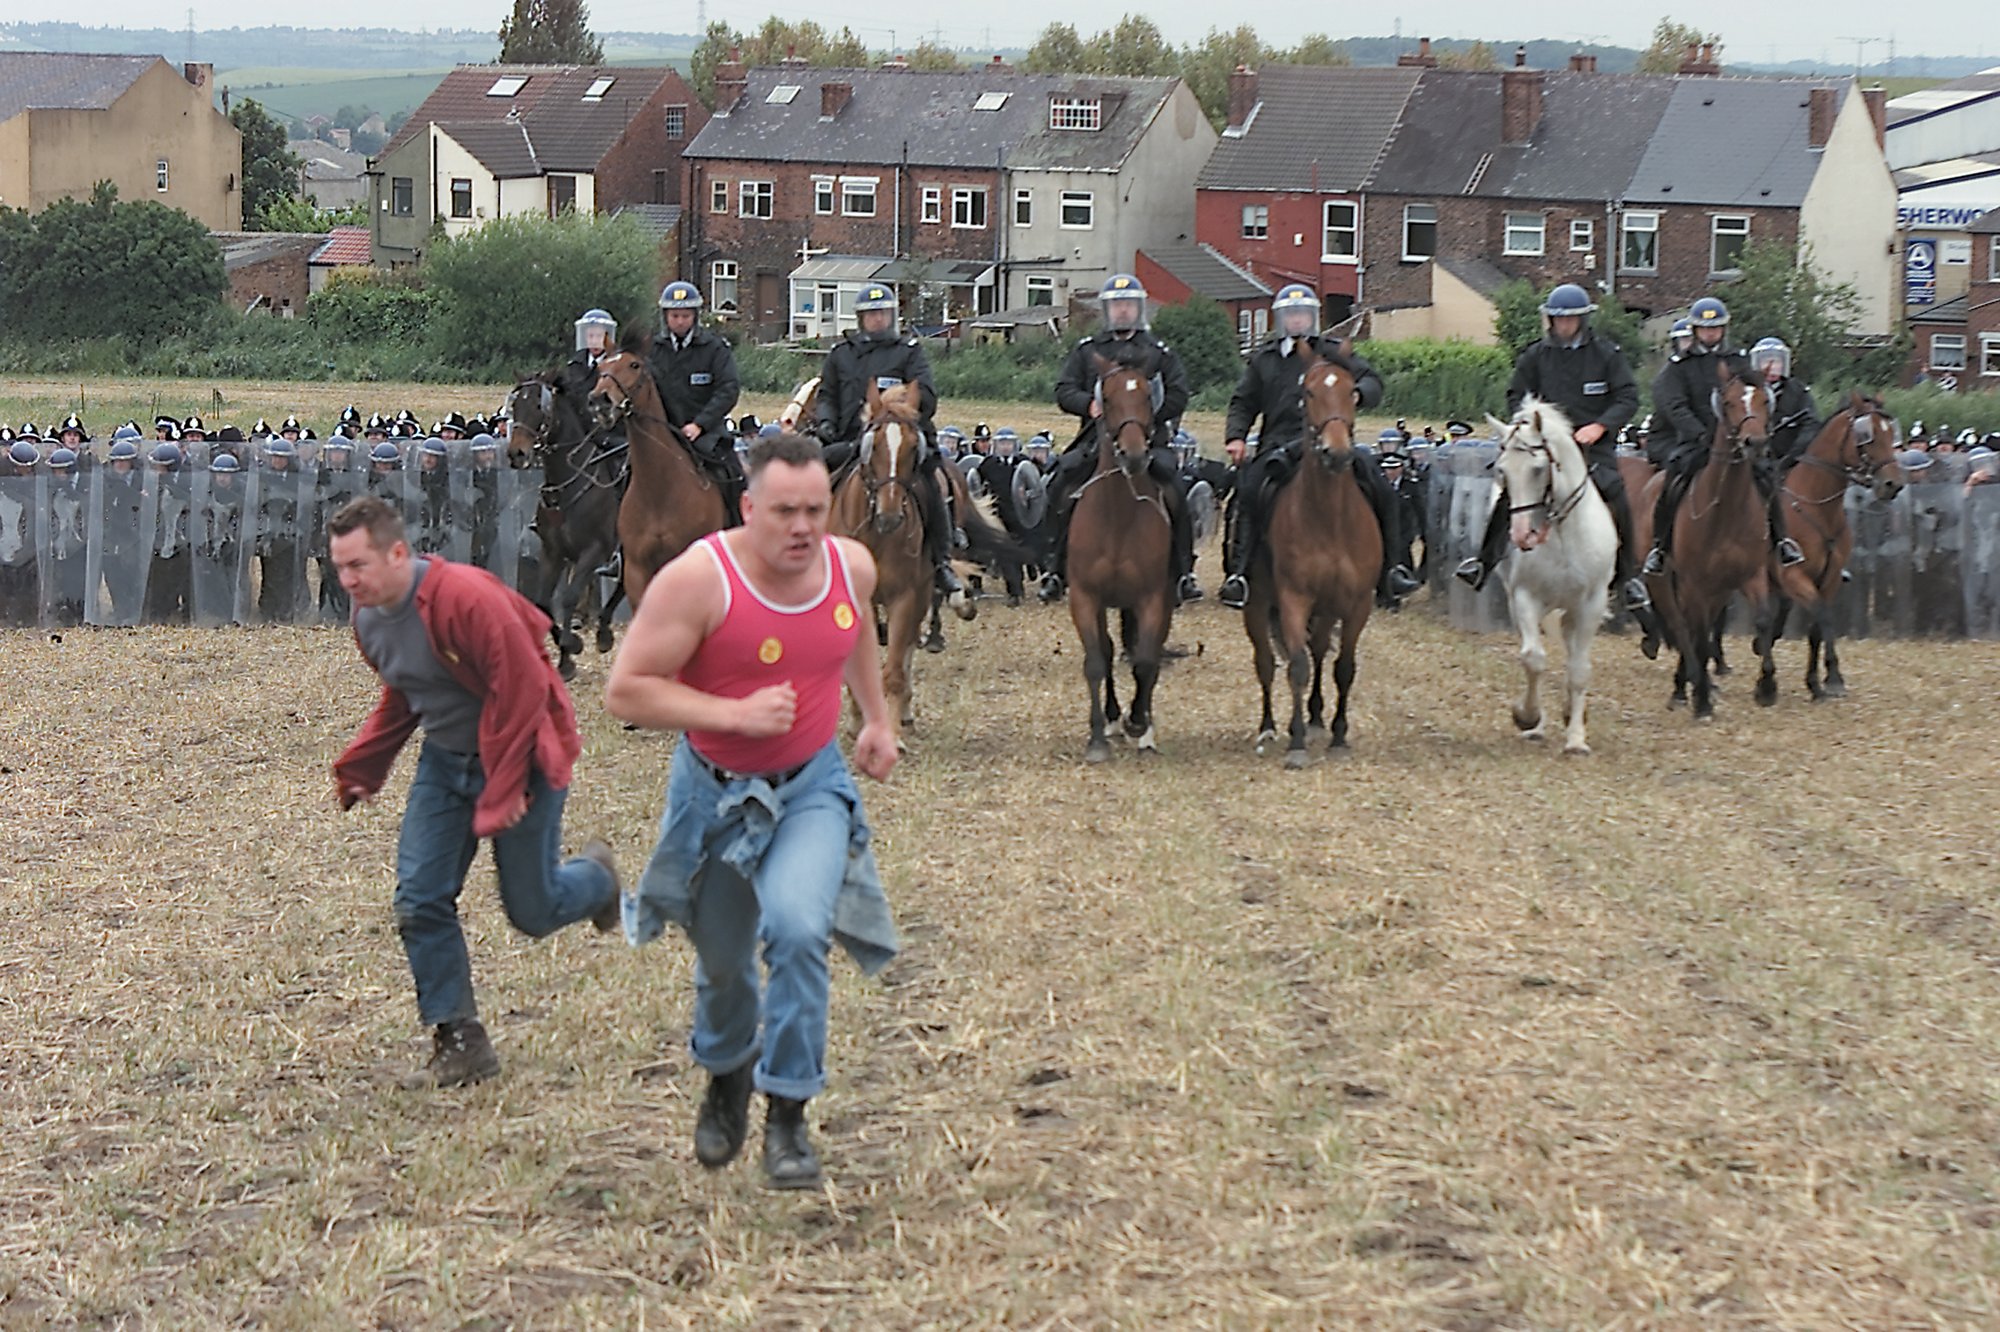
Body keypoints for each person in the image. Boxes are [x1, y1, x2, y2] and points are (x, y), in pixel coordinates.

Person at [604, 432, 899, 1190]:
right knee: (726, 965)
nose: (803, 528)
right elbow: (627, 690)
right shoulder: (699, 581)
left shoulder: (850, 565)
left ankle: (790, 1114)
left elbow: (854, 624)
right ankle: (727, 1073)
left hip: (811, 790)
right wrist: (730, 715)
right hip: (713, 791)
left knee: (799, 931)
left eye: (816, 509)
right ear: (747, 508)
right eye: (784, 512)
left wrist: (875, 718)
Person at [329, 496, 621, 1091]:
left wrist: (506, 787)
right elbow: (407, 692)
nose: (348, 580)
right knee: (420, 898)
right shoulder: (368, 622)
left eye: (358, 565)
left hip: (524, 752)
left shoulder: (467, 599)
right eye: (340, 567)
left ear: (398, 553)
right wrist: (365, 765)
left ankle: (597, 881)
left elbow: (523, 694)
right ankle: (458, 1037)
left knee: (532, 912)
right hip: (446, 761)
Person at [1217, 283, 1419, 610]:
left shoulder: (1335, 353)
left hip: (1332, 442)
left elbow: (1372, 381)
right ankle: (1240, 574)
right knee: (1249, 491)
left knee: (1382, 488)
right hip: (1279, 444)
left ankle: (1392, 569)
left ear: (1313, 317)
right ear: (1281, 319)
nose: (1297, 320)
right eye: (1291, 314)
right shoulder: (1263, 360)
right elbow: (1243, 402)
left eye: (1302, 314)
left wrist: (1358, 393)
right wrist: (1236, 436)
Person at [1454, 282, 1651, 614]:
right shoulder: (1535, 356)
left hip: (1592, 447)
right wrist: (1528, 422)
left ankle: (1629, 577)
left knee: (1616, 491)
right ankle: (1484, 563)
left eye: (1570, 319)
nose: (1564, 325)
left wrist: (1600, 425)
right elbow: (1516, 395)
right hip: (1542, 447)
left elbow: (1627, 396)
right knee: (1511, 493)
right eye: (1558, 319)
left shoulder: (1606, 355)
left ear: (1582, 320)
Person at [1041, 274, 1203, 604]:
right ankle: (1054, 567)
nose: (1122, 311)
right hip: (1095, 441)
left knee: (1175, 488)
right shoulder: (1088, 351)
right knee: (1059, 482)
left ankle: (1184, 571)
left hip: (1149, 440)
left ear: (1139, 308)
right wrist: (1088, 405)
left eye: (1128, 305)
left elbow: (1180, 392)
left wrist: (1143, 417)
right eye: (1116, 305)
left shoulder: (1158, 352)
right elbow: (1064, 389)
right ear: (1106, 310)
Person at [813, 282, 967, 614]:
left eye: (882, 313)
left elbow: (926, 393)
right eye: (871, 314)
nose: (877, 320)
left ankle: (941, 561)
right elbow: (827, 394)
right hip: (851, 439)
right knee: (813, 478)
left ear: (892, 316)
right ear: (861, 318)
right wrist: (826, 422)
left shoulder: (909, 351)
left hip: (901, 437)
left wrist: (900, 406)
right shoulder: (842, 354)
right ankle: (810, 556)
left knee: (932, 482)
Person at [1643, 295, 1803, 574]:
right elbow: (1673, 405)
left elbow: (1757, 395)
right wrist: (1698, 432)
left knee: (1766, 477)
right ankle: (1661, 546)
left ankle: (1781, 541)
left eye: (1715, 328)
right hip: (1697, 440)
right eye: (1705, 329)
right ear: (1695, 331)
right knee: (1674, 481)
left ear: (1723, 330)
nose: (1710, 333)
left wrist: (1754, 428)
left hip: (1738, 440)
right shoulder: (1680, 366)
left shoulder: (1738, 362)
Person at [647, 281, 745, 523]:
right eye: (675, 315)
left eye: (685, 315)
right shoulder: (652, 349)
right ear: (665, 316)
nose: (680, 321)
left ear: (695, 316)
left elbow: (728, 389)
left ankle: (738, 532)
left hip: (706, 435)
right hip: (662, 434)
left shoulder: (715, 349)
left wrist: (699, 424)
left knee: (735, 477)